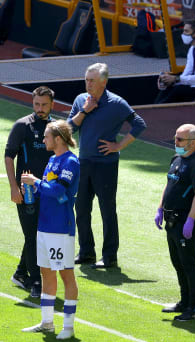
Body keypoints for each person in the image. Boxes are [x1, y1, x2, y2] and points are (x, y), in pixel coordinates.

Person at [70, 63, 147, 269]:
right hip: (84, 162)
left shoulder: (117, 103)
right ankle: (86, 252)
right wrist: (84, 111)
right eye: (86, 79)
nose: (88, 84)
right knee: (82, 208)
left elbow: (139, 124)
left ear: (103, 82)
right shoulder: (80, 100)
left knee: (107, 210)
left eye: (92, 81)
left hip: (105, 166)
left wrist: (119, 145)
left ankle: (109, 256)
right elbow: (68, 128)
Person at [20, 121, 81, 340]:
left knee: (66, 275)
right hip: (44, 226)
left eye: (46, 136)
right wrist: (31, 189)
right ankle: (47, 322)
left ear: (58, 139)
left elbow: (57, 191)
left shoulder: (70, 162)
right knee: (46, 273)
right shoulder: (52, 160)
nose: (43, 140)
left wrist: (36, 182)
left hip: (60, 228)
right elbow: (45, 191)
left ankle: (68, 327)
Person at [4, 86, 56, 298]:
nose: (40, 108)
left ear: (52, 104)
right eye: (37, 104)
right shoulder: (22, 126)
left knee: (39, 234)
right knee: (33, 236)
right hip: (26, 191)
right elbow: (9, 157)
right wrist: (13, 187)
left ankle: (20, 272)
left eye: (44, 105)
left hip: (48, 190)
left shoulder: (55, 127)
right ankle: (35, 280)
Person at [155, 124, 195, 321]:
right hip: (171, 220)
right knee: (178, 263)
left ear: (192, 143)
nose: (175, 142)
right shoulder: (177, 158)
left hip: (185, 221)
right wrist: (160, 208)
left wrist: (191, 221)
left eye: (179, 139)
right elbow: (169, 184)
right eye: (175, 137)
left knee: (189, 264)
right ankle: (184, 302)